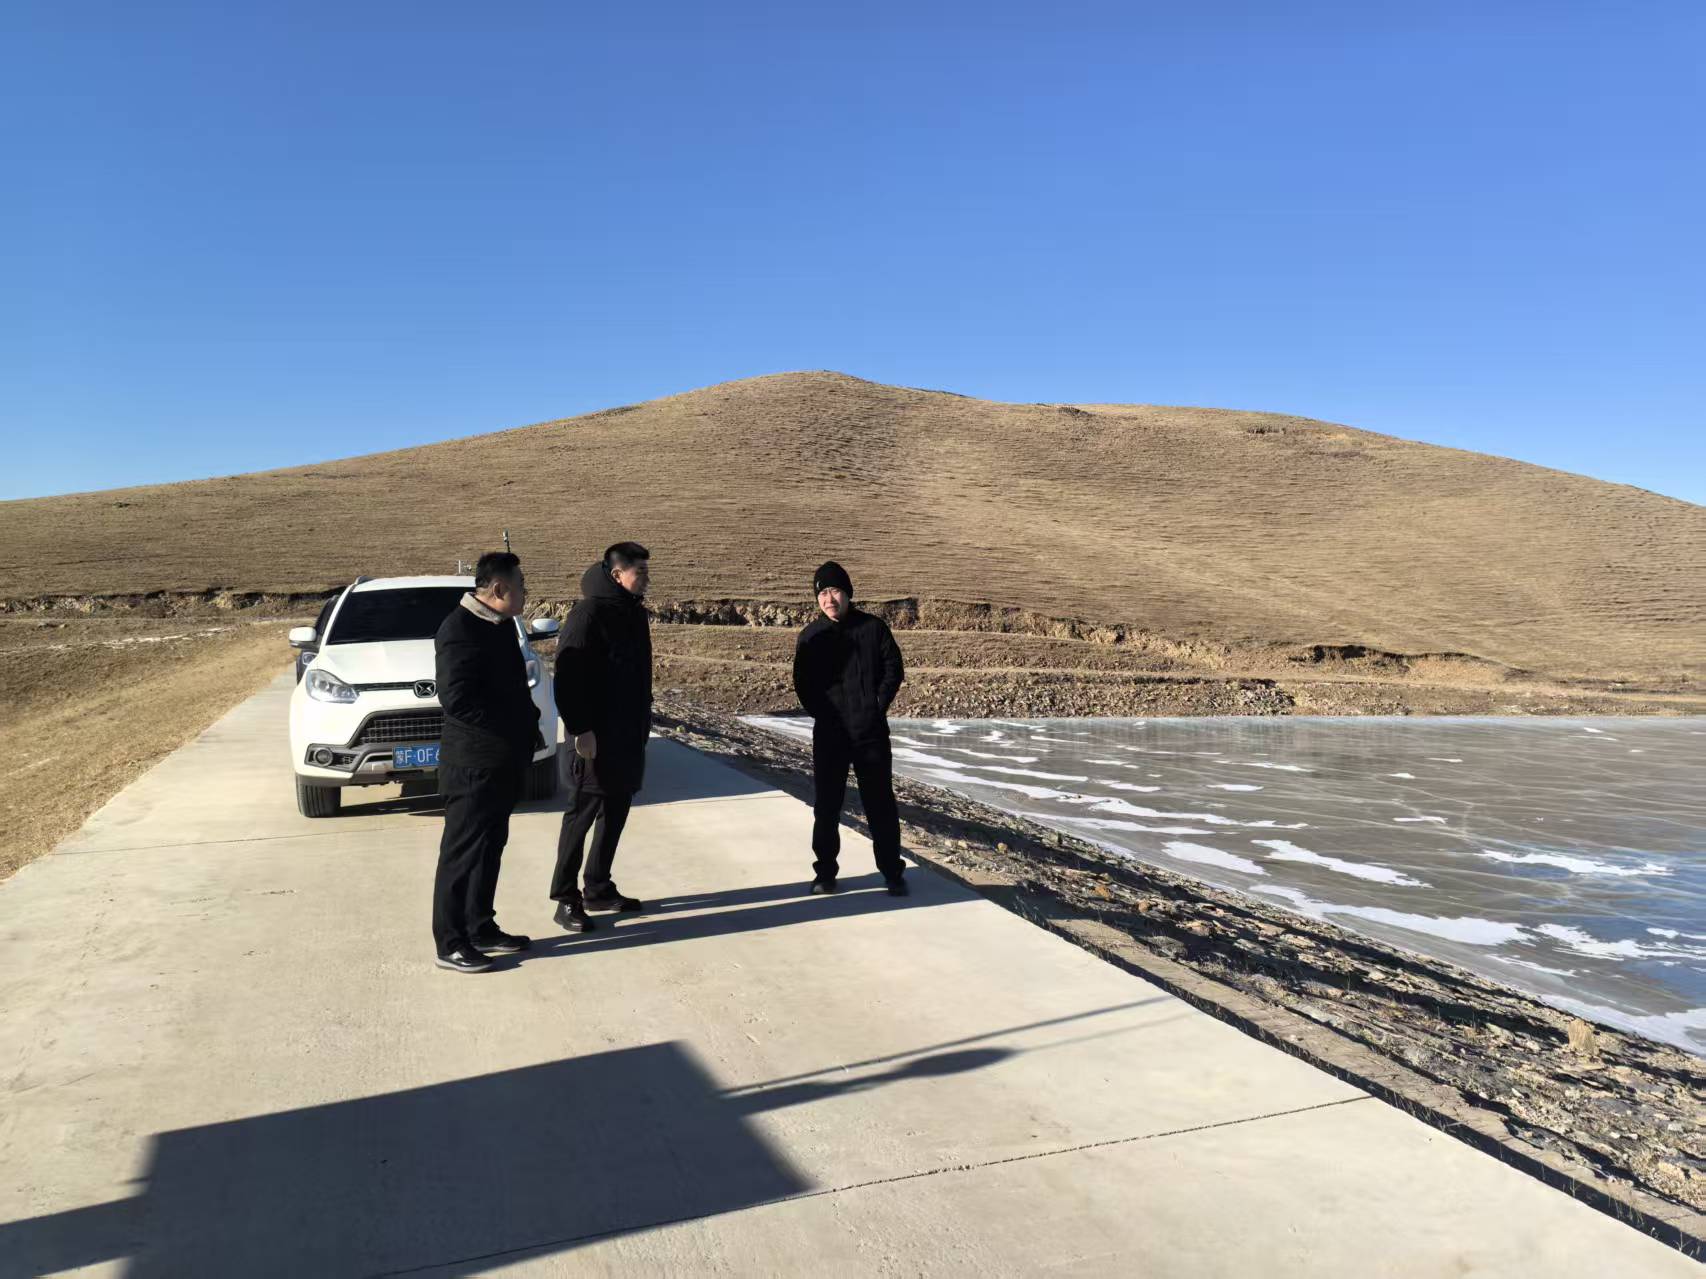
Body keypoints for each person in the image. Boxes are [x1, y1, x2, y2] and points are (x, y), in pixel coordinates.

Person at [431, 552, 540, 972]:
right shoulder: (459, 629)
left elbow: (512, 688)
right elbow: (457, 700)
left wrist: (527, 723)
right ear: (498, 588)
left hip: (501, 762)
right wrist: (510, 728)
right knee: (461, 853)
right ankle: (451, 942)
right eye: (521, 586)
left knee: (490, 847)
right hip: (473, 763)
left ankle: (480, 926)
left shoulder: (499, 624)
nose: (526, 593)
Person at [549, 541, 654, 930]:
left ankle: (598, 887)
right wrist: (580, 729)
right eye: (640, 572)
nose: (646, 579)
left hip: (627, 736)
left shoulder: (633, 612)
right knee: (581, 816)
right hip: (594, 738)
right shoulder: (589, 612)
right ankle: (565, 899)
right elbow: (567, 678)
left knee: (615, 813)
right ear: (617, 574)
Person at [792, 560, 908, 896]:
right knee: (827, 806)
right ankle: (825, 873)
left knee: (880, 805)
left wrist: (876, 704)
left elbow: (893, 667)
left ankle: (893, 873)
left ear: (848, 593)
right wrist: (825, 715)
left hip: (870, 734)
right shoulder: (811, 637)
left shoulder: (873, 628)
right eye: (822, 593)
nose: (829, 599)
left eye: (835, 591)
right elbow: (802, 684)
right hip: (831, 736)